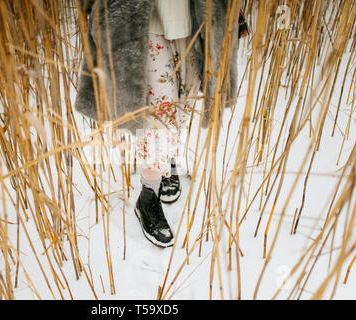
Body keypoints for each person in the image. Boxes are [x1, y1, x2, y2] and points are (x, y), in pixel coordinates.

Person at [75, 0, 244, 247]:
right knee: (160, 115)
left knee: (184, 104)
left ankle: (165, 161)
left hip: (194, 16)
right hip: (144, 20)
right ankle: (148, 194)